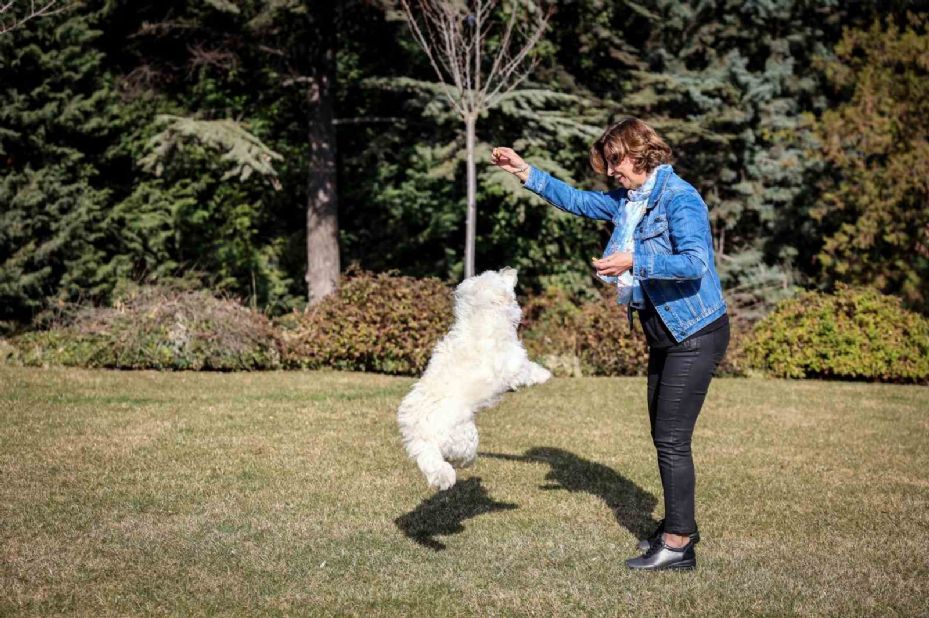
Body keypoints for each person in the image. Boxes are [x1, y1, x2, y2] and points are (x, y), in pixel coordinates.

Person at [490, 117, 730, 572]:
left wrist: (635, 258)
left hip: (695, 331)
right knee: (665, 435)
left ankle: (678, 545)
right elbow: (578, 200)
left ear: (643, 154)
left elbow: (696, 262)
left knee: (672, 439)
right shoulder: (630, 201)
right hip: (666, 332)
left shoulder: (679, 198)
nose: (610, 172)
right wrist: (526, 172)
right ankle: (678, 527)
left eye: (617, 161)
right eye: (609, 164)